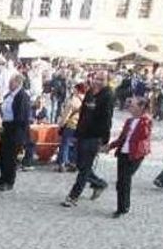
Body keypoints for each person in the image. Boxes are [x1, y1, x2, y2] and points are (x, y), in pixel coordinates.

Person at [63, 71, 114, 207]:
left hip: (94, 136)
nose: (98, 81)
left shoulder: (108, 96)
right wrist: (76, 134)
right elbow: (82, 114)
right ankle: (99, 183)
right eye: (97, 79)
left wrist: (104, 140)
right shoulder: (90, 93)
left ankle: (73, 196)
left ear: (107, 81)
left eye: (102, 80)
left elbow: (107, 119)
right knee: (80, 165)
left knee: (84, 167)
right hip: (82, 134)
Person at [106, 96, 152, 218]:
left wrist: (145, 120)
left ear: (141, 107)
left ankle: (123, 208)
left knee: (125, 180)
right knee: (120, 181)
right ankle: (122, 205)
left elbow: (144, 135)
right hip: (123, 153)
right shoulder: (129, 121)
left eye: (133, 105)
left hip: (135, 154)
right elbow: (122, 138)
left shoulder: (145, 121)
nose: (130, 107)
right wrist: (110, 146)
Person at [0, 75, 31, 192]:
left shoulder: (22, 96)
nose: (9, 84)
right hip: (5, 126)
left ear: (18, 83)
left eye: (11, 82)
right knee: (2, 155)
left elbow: (21, 116)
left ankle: (9, 181)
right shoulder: (9, 94)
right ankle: (2, 177)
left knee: (10, 157)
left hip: (14, 129)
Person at [55, 82, 84, 172]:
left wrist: (60, 125)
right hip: (80, 126)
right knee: (76, 146)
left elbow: (66, 114)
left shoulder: (73, 100)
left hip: (71, 124)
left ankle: (62, 164)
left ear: (77, 89)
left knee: (65, 145)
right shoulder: (86, 100)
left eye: (74, 88)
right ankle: (73, 163)